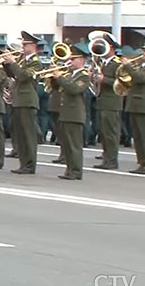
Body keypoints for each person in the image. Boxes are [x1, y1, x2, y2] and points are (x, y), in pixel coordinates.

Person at [3, 31, 43, 174]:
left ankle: (30, 165)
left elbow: (22, 76)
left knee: (28, 135)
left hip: (28, 101)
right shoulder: (22, 60)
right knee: (20, 135)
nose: (23, 47)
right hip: (18, 100)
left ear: (33, 46)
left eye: (26, 45)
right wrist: (6, 63)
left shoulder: (36, 62)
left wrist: (13, 63)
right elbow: (12, 74)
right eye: (23, 44)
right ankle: (23, 163)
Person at [51, 44, 91, 180]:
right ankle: (69, 169)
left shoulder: (84, 76)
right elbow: (58, 88)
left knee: (74, 145)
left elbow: (74, 89)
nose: (70, 62)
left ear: (82, 60)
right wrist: (53, 78)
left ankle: (76, 171)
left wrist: (60, 78)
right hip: (66, 113)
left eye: (74, 59)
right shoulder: (69, 74)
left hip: (75, 115)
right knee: (66, 145)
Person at [93, 34, 122, 170]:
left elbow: (121, 83)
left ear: (111, 47)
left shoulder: (117, 64)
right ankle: (106, 158)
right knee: (103, 132)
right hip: (102, 101)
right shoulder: (102, 64)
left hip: (112, 102)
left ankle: (112, 161)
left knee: (110, 133)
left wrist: (103, 80)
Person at [119, 50, 145, 174]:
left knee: (143, 135)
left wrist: (128, 66)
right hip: (135, 104)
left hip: (142, 106)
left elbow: (140, 78)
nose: (143, 55)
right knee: (138, 137)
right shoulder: (140, 65)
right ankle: (141, 162)